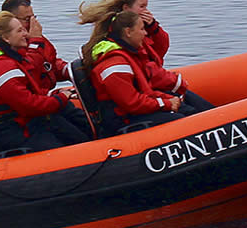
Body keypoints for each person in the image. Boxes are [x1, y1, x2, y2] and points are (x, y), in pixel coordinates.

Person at [0, 11, 90, 154]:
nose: (26, 34)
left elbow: (35, 67)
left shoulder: (11, 59)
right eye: (20, 30)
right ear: (6, 38)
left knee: (78, 135)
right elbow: (28, 105)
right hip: (14, 131)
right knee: (67, 148)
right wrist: (60, 98)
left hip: (27, 123)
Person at [81, 10, 213, 136]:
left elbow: (145, 91)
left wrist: (169, 100)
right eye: (141, 29)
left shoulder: (128, 55)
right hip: (123, 119)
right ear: (128, 32)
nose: (145, 33)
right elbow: (132, 103)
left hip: (132, 112)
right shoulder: (115, 64)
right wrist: (166, 104)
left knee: (188, 110)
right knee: (182, 120)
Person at [78, 0, 173, 70]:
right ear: (126, 8)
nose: (146, 11)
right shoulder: (121, 33)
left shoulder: (141, 28)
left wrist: (153, 28)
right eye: (142, 6)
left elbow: (160, 50)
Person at [3, 0, 69, 92]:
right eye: (27, 19)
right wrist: (35, 42)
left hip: (44, 93)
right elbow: (29, 74)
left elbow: (49, 64)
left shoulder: (35, 37)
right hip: (31, 98)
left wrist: (69, 69)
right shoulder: (10, 46)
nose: (32, 23)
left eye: (33, 18)